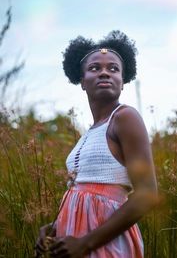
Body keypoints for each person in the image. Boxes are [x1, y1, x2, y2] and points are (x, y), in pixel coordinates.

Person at [35, 30, 158, 258]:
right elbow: (81, 193)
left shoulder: (124, 117)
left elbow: (147, 194)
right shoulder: (89, 133)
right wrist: (54, 227)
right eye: (94, 68)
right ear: (82, 81)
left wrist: (86, 243)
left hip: (102, 243)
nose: (104, 73)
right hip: (73, 241)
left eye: (113, 69)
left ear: (123, 82)